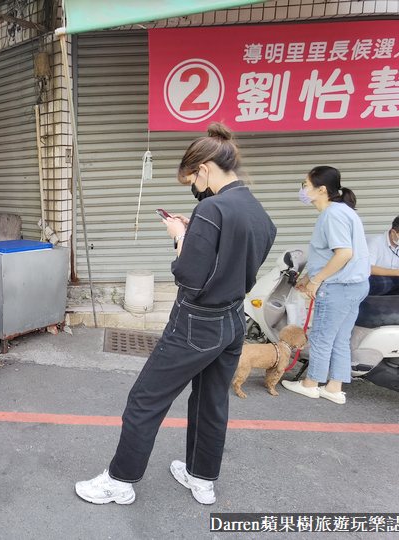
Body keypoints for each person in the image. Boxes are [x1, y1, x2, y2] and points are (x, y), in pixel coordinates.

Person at [75, 123, 276, 507]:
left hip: (196, 322)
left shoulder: (212, 208)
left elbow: (189, 274)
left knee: (145, 399)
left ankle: (120, 481)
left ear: (204, 168)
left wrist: (181, 235)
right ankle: (202, 478)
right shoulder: (255, 209)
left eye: (192, 180)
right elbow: (233, 259)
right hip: (233, 320)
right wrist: (195, 233)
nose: (194, 188)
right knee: (212, 401)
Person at [282, 166, 369, 405]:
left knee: (321, 337)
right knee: (340, 338)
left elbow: (344, 254)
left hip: (338, 287)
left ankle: (311, 384)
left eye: (305, 185)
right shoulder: (343, 211)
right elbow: (329, 254)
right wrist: (309, 277)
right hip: (354, 286)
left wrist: (317, 280)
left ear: (321, 189)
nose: (302, 190)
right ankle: (334, 388)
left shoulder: (332, 214)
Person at [365, 214, 399, 296]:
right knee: (384, 283)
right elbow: (368, 268)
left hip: (392, 279)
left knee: (389, 283)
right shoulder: (375, 242)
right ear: (393, 232)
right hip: (372, 278)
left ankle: (393, 299)